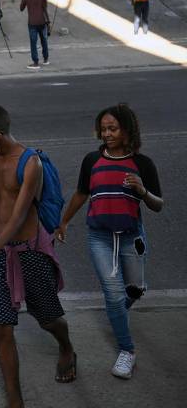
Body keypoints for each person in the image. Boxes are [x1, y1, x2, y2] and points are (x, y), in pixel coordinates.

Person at [0, 104, 75, 408]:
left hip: (30, 251)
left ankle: (66, 348)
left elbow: (19, 215)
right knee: (0, 326)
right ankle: (15, 398)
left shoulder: (30, 163)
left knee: (49, 318)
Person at [57, 103, 163, 380]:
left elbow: (158, 204)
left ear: (127, 130)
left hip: (132, 237)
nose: (107, 134)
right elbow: (82, 193)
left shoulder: (142, 164)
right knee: (114, 295)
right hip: (99, 237)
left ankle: (116, 309)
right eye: (103, 129)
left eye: (112, 128)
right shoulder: (92, 160)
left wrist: (142, 190)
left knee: (136, 289)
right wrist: (64, 221)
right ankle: (127, 350)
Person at [20, 0, 50, 70]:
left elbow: (21, 8)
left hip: (32, 23)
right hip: (42, 21)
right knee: (44, 40)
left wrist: (25, 2)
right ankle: (46, 59)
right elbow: (45, 8)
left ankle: (36, 63)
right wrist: (48, 21)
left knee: (33, 43)